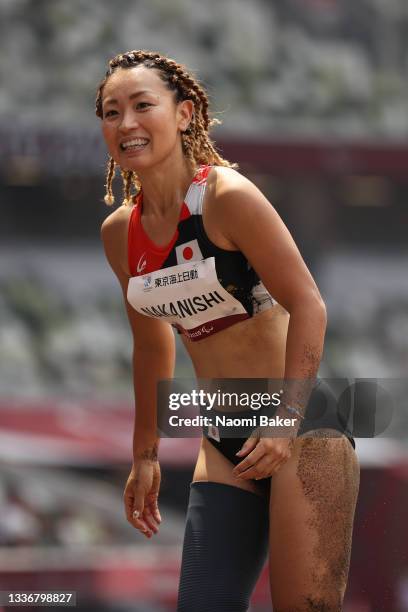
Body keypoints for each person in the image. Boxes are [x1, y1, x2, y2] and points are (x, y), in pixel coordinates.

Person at [96, 49, 360, 612]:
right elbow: (151, 343)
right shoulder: (120, 233)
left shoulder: (227, 198)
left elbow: (310, 306)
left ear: (185, 113)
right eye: (111, 111)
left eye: (143, 105)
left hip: (304, 425)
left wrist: (285, 425)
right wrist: (144, 455)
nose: (126, 123)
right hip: (224, 432)